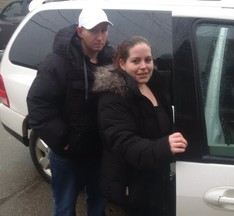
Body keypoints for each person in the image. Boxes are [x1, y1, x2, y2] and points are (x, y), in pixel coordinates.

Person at [26, 6, 114, 216]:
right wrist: (63, 139)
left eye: (104, 30)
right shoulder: (57, 62)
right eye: (94, 30)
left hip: (99, 150)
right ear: (80, 31)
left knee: (98, 201)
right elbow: (38, 103)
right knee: (64, 205)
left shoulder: (111, 60)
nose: (100, 37)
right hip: (67, 153)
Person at [93, 36, 188, 216]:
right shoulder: (112, 97)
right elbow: (124, 143)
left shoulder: (155, 85)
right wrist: (164, 146)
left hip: (155, 183)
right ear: (122, 63)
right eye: (135, 61)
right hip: (130, 187)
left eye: (148, 60)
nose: (144, 66)